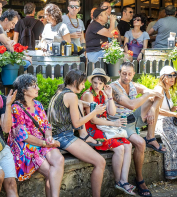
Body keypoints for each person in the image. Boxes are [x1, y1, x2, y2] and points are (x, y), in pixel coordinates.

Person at [110, 62, 166, 197]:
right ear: (119, 73)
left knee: (158, 93)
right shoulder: (114, 88)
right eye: (124, 74)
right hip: (121, 124)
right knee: (140, 143)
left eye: (129, 74)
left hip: (133, 119)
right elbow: (130, 105)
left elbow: (158, 94)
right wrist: (147, 95)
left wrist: (152, 109)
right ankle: (140, 180)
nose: (127, 77)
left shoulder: (134, 85)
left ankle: (151, 137)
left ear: (133, 74)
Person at [47, 69, 106, 197]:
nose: (84, 86)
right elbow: (77, 124)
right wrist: (94, 112)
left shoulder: (60, 92)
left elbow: (77, 104)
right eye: (83, 83)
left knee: (100, 161)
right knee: (100, 162)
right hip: (64, 137)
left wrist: (89, 104)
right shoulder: (72, 96)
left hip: (55, 135)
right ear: (75, 82)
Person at [8, 74, 64, 196]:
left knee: (59, 160)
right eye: (34, 86)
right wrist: (46, 143)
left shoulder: (38, 104)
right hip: (26, 146)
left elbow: (46, 126)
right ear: (24, 90)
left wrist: (48, 137)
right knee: (50, 172)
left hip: (42, 142)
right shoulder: (16, 108)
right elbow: (23, 136)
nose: (37, 88)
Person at [81, 68, 134, 195]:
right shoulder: (89, 95)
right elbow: (93, 120)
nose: (97, 85)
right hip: (92, 130)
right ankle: (118, 181)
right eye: (95, 82)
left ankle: (124, 181)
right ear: (91, 82)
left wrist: (109, 96)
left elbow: (112, 112)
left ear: (104, 84)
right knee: (120, 148)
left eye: (100, 83)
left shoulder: (102, 94)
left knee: (128, 144)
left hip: (103, 126)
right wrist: (113, 123)